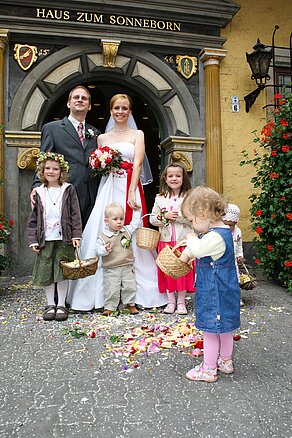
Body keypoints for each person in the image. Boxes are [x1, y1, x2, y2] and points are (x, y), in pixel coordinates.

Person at [68, 93, 167, 311]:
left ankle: (138, 293)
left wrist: (132, 191)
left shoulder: (137, 134)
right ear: (111, 111)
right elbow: (97, 166)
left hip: (128, 185)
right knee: (103, 227)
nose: (120, 112)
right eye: (116, 108)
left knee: (131, 229)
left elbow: (138, 163)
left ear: (130, 111)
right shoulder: (102, 138)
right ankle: (100, 295)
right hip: (109, 186)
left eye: (124, 108)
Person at [179, 186, 240, 383]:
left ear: (203, 214)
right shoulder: (219, 233)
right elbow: (198, 251)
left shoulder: (214, 237)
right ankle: (226, 361)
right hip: (224, 290)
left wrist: (190, 238)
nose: (192, 226)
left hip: (215, 292)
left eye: (191, 220)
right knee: (225, 328)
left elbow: (197, 249)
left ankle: (209, 368)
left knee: (211, 330)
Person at [31, 85, 100, 228]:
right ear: (69, 103)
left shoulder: (95, 132)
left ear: (90, 106)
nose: (80, 100)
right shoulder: (52, 128)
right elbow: (44, 160)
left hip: (91, 194)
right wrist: (37, 186)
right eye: (76, 97)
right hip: (63, 191)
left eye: (84, 98)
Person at [27, 152, 82, 321]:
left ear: (61, 171)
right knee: (47, 272)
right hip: (45, 239)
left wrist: (76, 235)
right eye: (47, 168)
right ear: (42, 171)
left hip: (63, 238)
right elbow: (33, 218)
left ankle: (61, 305)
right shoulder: (38, 192)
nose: (51, 171)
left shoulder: (68, 189)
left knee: (62, 272)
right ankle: (50, 304)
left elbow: (75, 214)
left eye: (55, 169)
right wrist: (33, 239)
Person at [150, 163, 195, 315]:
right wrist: (165, 217)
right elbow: (152, 219)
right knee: (168, 271)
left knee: (182, 270)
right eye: (170, 176)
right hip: (166, 241)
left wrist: (178, 217)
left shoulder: (189, 197)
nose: (174, 178)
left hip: (183, 240)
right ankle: (170, 301)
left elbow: (194, 218)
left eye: (178, 175)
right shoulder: (160, 198)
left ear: (183, 178)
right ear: (165, 178)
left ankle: (181, 301)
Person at [96, 203, 138, 316]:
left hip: (127, 265)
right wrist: (104, 250)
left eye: (121, 218)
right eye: (115, 219)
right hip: (111, 268)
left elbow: (135, 224)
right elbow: (98, 250)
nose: (119, 222)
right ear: (106, 220)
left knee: (129, 285)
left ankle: (130, 304)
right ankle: (110, 306)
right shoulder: (103, 236)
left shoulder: (126, 231)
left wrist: (137, 211)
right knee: (111, 288)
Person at [223, 203, 245, 306]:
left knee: (234, 280)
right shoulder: (219, 232)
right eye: (225, 224)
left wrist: (240, 255)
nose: (228, 227)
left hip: (233, 262)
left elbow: (239, 244)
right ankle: (223, 298)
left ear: (236, 222)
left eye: (231, 225)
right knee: (222, 281)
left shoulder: (238, 232)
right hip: (222, 262)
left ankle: (236, 298)